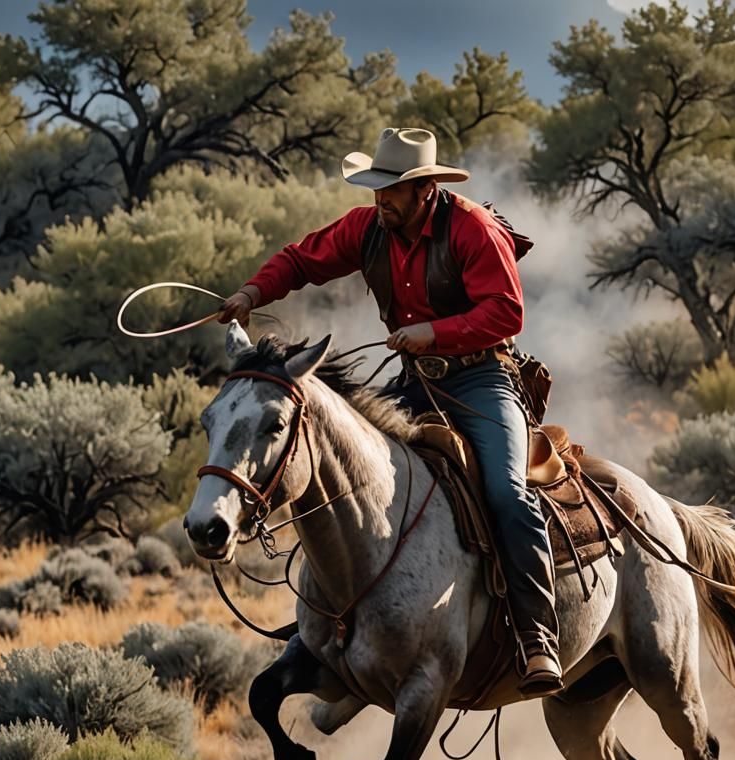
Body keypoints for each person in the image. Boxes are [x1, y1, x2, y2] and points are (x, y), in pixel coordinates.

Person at [218, 127, 562, 696]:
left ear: (425, 188)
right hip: (415, 383)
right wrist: (253, 294)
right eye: (377, 185)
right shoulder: (369, 227)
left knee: (506, 491)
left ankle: (536, 635)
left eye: (393, 188)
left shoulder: (472, 228)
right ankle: (333, 621)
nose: (380, 197)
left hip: (482, 379)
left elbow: (506, 312)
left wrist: (433, 331)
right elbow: (303, 260)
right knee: (347, 472)